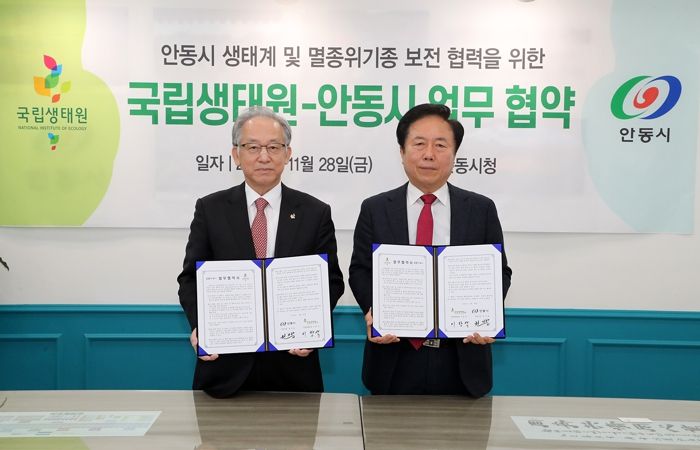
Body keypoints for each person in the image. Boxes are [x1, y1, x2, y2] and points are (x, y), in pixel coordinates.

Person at [178, 106, 344, 398]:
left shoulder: (315, 212)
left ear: (288, 154)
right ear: (236, 154)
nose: (264, 157)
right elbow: (190, 278)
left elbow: (331, 281)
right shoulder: (210, 209)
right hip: (224, 367)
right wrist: (201, 326)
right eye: (253, 147)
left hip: (293, 367)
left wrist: (312, 327)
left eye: (274, 147)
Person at [349, 103, 512, 396]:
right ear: (402, 152)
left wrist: (484, 314)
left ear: (454, 153)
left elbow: (499, 272)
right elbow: (360, 270)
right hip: (393, 355)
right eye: (419, 144)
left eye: (440, 145)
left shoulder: (481, 209)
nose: (429, 154)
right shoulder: (375, 208)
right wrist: (376, 311)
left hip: (461, 358)